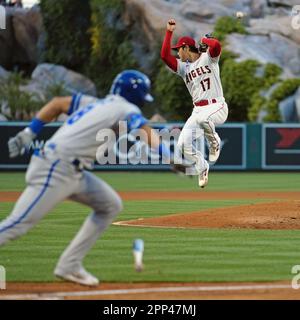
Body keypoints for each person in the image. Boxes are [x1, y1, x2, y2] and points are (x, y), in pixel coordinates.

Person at [0, 70, 178, 286]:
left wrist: (30, 132)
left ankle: (70, 265)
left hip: (72, 171)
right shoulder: (126, 108)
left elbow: (57, 103)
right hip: (56, 167)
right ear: (138, 96)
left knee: (110, 205)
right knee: (18, 224)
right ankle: (69, 265)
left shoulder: (94, 102)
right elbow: (143, 129)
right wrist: (169, 156)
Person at [161, 19, 228, 188]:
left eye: (179, 49)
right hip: (198, 110)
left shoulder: (208, 58)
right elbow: (164, 56)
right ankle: (202, 166)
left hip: (217, 106)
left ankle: (215, 143)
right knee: (183, 144)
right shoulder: (184, 68)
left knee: (203, 120)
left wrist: (205, 41)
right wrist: (169, 32)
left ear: (186, 48)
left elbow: (217, 46)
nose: (177, 53)